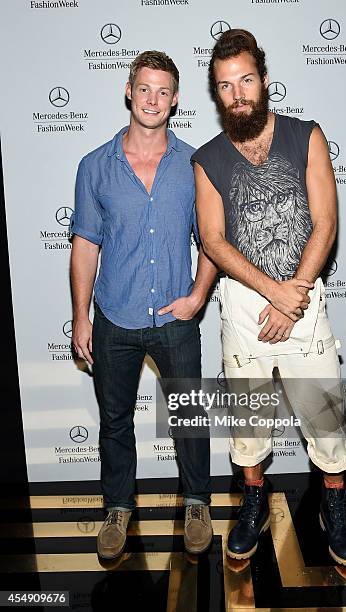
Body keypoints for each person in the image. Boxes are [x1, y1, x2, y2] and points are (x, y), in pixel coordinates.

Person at [192, 29, 346, 566]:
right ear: (216, 95)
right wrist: (274, 294)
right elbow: (213, 240)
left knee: (325, 414)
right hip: (244, 306)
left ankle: (334, 505)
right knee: (247, 420)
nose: (238, 93)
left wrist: (296, 295)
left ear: (264, 80)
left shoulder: (306, 135)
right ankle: (254, 501)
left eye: (246, 80)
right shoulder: (207, 159)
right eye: (225, 86)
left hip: (305, 295)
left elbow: (326, 220)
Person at [70, 50, 217, 559]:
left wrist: (198, 296)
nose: (152, 99)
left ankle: (197, 500)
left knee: (190, 416)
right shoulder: (94, 166)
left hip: (175, 319)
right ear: (128, 91)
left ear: (175, 100)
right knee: (114, 421)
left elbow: (213, 240)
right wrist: (80, 317)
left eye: (163, 91)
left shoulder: (194, 164)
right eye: (144, 88)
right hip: (115, 316)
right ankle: (117, 507)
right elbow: (85, 245)